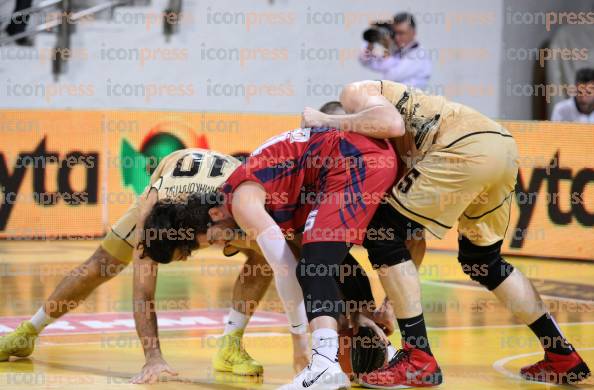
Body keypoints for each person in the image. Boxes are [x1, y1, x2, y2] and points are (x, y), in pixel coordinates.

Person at [301, 80, 591, 386]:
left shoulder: (354, 94)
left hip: (460, 145)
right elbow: (415, 239)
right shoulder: (378, 155)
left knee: (382, 232)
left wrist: (325, 120)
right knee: (484, 262)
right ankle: (561, 355)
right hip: (500, 146)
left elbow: (391, 123)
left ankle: (418, 358)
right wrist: (388, 305)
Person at [0, 147, 310, 382]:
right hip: (170, 189)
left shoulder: (236, 209)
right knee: (101, 264)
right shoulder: (150, 221)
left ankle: (230, 344)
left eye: (183, 254)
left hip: (225, 188)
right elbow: (143, 295)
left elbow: (291, 256)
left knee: (266, 255)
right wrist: (153, 358)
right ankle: (28, 331)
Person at [140, 119, 401, 388]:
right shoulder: (256, 195)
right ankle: (386, 356)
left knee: (312, 264)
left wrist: (300, 344)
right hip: (367, 158)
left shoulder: (241, 202)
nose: (221, 246)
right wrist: (358, 311)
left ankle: (323, 364)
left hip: (356, 161)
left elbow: (285, 269)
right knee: (325, 258)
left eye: (214, 239)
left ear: (215, 214)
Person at [359, 13, 431, 89]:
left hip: (412, 99)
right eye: (394, 33)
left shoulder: (419, 54)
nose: (396, 37)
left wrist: (387, 49)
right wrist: (372, 42)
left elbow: (391, 76)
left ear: (413, 33)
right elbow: (366, 62)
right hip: (395, 98)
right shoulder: (397, 51)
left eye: (401, 33)